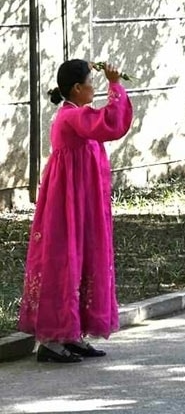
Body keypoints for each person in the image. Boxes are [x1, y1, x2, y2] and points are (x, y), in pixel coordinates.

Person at [19, 60, 134, 363]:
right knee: (63, 261)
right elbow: (109, 124)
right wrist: (115, 86)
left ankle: (73, 334)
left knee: (82, 257)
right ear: (77, 89)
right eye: (90, 83)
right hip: (66, 203)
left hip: (82, 202)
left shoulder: (75, 114)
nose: (94, 89)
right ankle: (52, 340)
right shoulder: (72, 116)